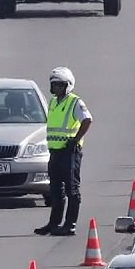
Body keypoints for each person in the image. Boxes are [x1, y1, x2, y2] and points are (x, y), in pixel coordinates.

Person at [35, 67, 93, 237]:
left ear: (68, 86)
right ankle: (54, 223)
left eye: (60, 85)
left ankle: (70, 225)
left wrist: (75, 140)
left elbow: (87, 120)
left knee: (72, 189)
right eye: (54, 85)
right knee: (55, 190)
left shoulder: (75, 102)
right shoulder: (53, 102)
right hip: (54, 152)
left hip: (70, 152)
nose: (56, 88)